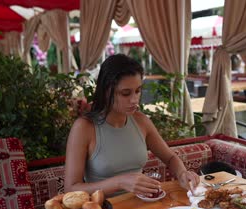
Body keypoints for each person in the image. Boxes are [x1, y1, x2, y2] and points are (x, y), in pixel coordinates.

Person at [64, 54, 199, 197]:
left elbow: (170, 158)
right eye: (125, 93)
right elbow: (71, 189)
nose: (134, 100)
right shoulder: (84, 128)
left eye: (138, 91)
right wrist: (119, 182)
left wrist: (183, 173)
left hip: (142, 205)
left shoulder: (141, 121)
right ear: (106, 91)